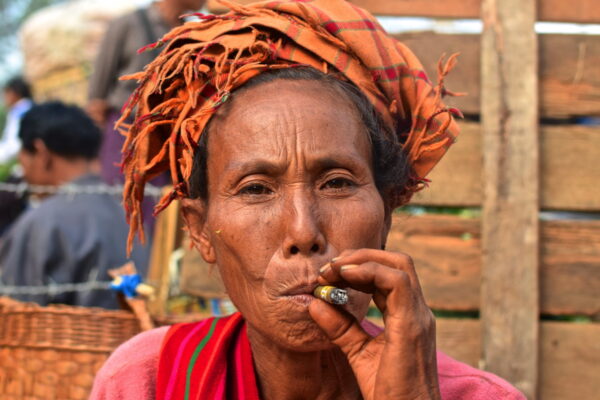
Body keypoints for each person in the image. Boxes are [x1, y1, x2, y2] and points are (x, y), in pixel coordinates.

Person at [90, 1, 525, 399]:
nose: (303, 232)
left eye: (336, 183)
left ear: (387, 211)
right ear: (201, 231)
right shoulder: (144, 380)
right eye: (256, 189)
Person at [0, 102, 149, 309]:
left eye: (22, 158)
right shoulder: (129, 213)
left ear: (41, 152)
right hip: (133, 336)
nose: (22, 170)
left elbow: (14, 313)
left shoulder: (40, 224)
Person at [87, 0, 206, 185]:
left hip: (169, 138)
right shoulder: (127, 25)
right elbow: (97, 97)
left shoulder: (192, 33)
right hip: (126, 134)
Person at [0, 76, 33, 164]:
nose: (5, 98)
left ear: (15, 93)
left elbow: (14, 144)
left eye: (6, 93)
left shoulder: (21, 111)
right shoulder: (23, 109)